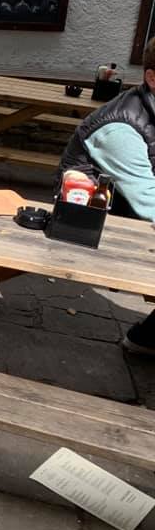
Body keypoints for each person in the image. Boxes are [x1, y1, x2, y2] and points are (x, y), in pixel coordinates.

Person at [55, 35, 155, 354]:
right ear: (152, 78)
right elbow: (149, 203)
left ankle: (147, 338)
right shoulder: (120, 128)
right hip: (96, 225)